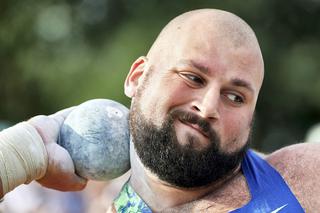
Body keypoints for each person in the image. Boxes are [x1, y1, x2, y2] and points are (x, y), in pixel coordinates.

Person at [0, 8, 319, 212]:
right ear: (137, 78)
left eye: (235, 97)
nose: (208, 107)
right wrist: (17, 154)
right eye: (193, 77)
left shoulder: (304, 178)